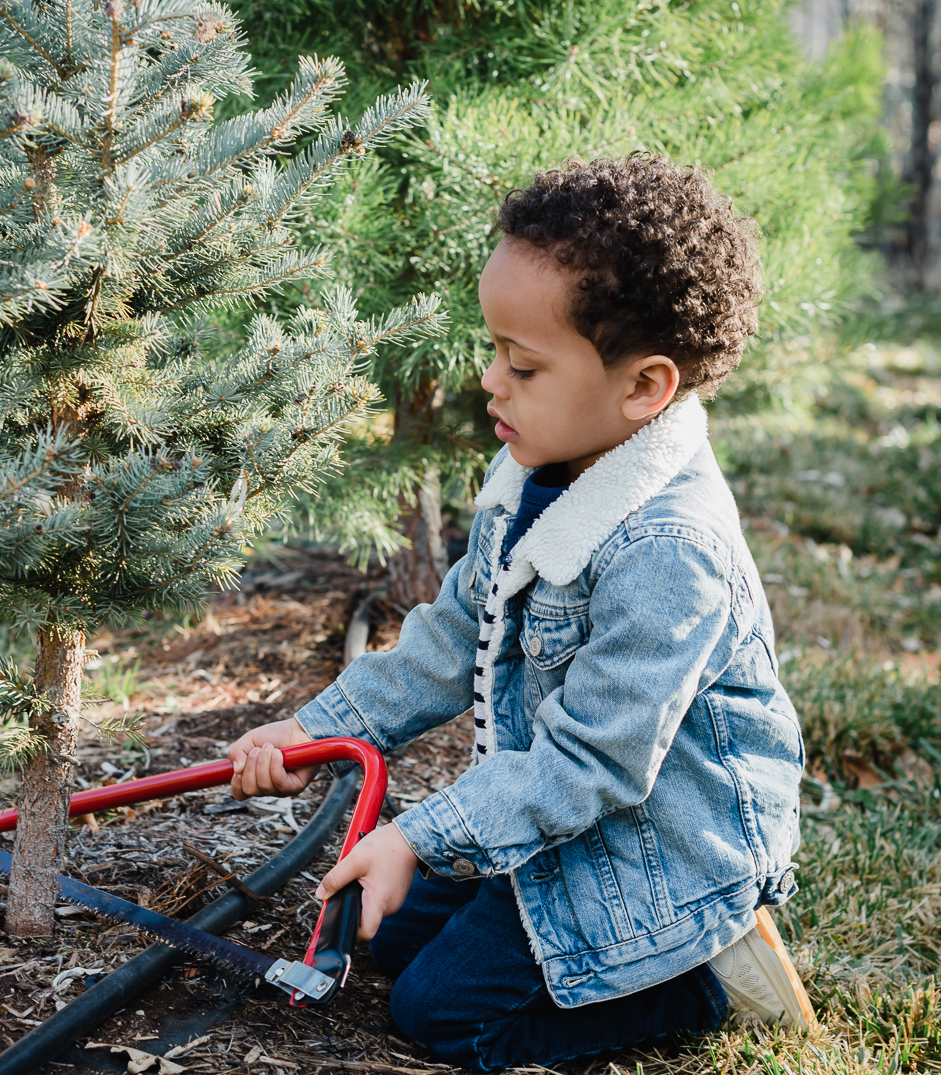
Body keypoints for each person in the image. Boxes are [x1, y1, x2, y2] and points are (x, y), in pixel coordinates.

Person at [227, 153, 813, 1071]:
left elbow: (592, 763)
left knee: (442, 1014)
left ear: (643, 389)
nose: (492, 383)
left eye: (524, 364)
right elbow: (455, 631)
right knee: (378, 935)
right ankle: (544, 919)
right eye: (493, 350)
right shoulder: (542, 472)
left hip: (656, 851)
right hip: (561, 815)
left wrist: (418, 834)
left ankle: (700, 979)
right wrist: (315, 729)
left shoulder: (671, 553)